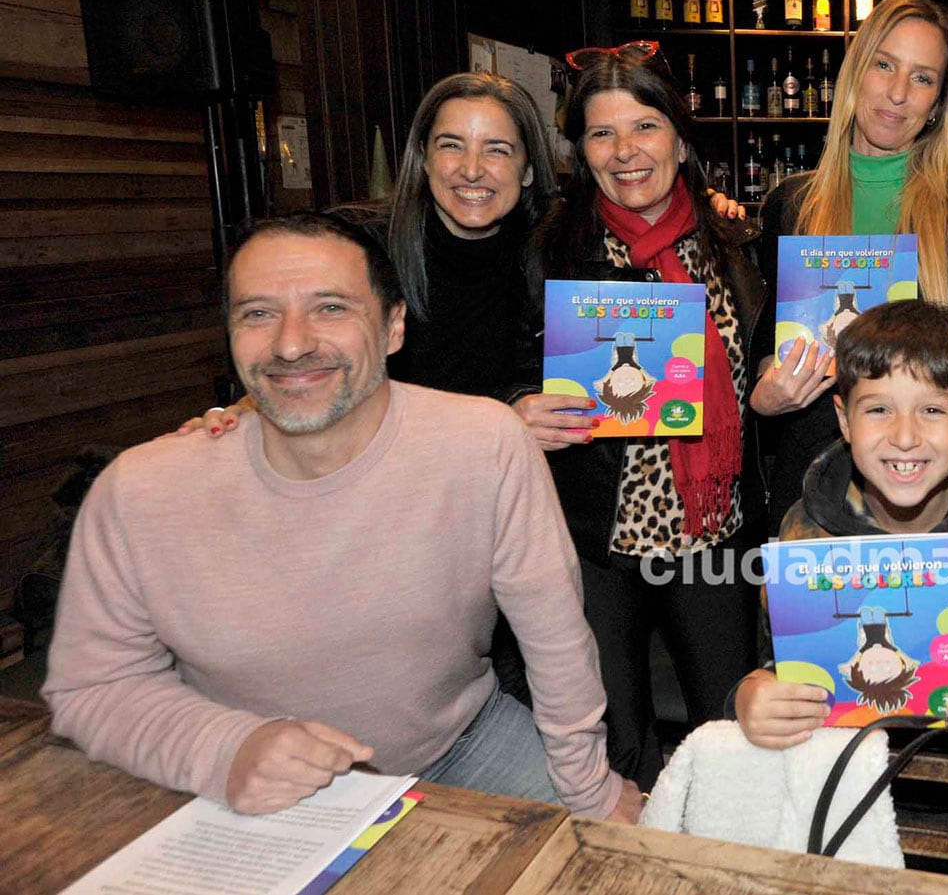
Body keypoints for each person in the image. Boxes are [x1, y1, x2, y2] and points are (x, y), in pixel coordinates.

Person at [44, 212, 639, 822]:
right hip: (253, 782)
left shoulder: (486, 444)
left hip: (466, 746)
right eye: (258, 313)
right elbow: (92, 688)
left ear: (393, 327)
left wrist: (589, 788)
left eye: (330, 308)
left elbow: (556, 639)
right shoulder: (142, 490)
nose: (291, 343)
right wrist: (225, 750)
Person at [179, 71, 560, 704]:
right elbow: (291, 338)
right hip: (370, 509)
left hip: (485, 512)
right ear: (423, 159)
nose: (472, 168)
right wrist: (243, 409)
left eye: (497, 148)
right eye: (450, 145)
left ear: (526, 169)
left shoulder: (553, 252)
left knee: (499, 689)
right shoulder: (359, 244)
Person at [509, 42, 763, 792]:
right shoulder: (550, 247)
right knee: (612, 741)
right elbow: (506, 372)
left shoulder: (735, 243)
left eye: (645, 126)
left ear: (680, 138)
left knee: (728, 730)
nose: (625, 151)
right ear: (579, 149)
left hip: (712, 529)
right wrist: (519, 408)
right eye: (601, 133)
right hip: (595, 539)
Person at [734, 300, 948, 761]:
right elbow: (779, 666)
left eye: (932, 410)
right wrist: (751, 693)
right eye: (878, 410)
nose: (906, 437)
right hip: (838, 787)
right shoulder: (805, 529)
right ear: (843, 419)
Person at [750, 0, 948, 532]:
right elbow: (769, 351)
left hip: (931, 488)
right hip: (813, 486)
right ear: (856, 71)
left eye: (922, 79)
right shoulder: (792, 203)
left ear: (939, 103)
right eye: (884, 66)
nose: (898, 94)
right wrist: (767, 395)